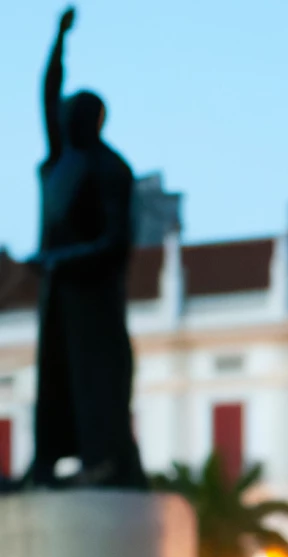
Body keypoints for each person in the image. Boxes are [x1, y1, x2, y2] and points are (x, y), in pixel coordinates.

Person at [23, 7, 147, 490]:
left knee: (96, 380)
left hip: (93, 296)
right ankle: (46, 461)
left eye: (73, 111)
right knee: (54, 380)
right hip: (57, 295)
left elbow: (116, 241)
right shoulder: (62, 158)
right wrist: (58, 42)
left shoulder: (110, 169)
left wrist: (58, 260)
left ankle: (105, 460)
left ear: (90, 121)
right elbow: (46, 91)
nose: (63, 114)